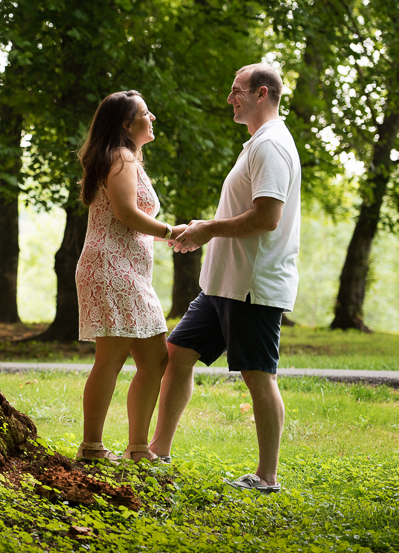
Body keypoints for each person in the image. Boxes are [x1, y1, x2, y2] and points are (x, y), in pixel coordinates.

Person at [149, 63, 301, 493]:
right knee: (177, 353)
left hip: (252, 286)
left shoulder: (271, 146)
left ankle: (266, 477)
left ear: (262, 93)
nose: (229, 98)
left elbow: (267, 218)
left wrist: (208, 229)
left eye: (237, 91)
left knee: (258, 375)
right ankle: (159, 450)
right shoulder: (256, 143)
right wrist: (202, 228)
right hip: (221, 284)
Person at [74, 90, 186, 463]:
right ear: (126, 124)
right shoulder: (120, 158)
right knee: (111, 358)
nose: (151, 117)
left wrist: (165, 233)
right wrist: (170, 231)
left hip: (127, 271)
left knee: (155, 358)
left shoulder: (125, 159)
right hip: (111, 269)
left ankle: (138, 448)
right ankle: (92, 446)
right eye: (144, 113)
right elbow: (125, 212)